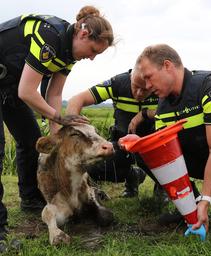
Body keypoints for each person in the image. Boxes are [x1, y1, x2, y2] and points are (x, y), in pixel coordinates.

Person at [0, 5, 114, 249]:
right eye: (93, 50)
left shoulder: (68, 53)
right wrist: (61, 119)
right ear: (83, 34)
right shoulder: (50, 36)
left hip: (8, 88)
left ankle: (30, 199)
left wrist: (58, 139)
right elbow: (27, 91)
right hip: (15, 87)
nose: (92, 57)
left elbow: (54, 95)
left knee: (33, 142)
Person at [131, 43, 211, 237]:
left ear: (167, 66)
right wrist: (137, 142)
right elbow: (164, 150)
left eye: (148, 77)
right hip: (201, 158)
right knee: (146, 153)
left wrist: (207, 201)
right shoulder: (164, 106)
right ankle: (191, 205)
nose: (146, 86)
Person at [66, 68, 160, 198]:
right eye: (135, 87)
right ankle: (133, 175)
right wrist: (76, 131)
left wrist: (144, 114)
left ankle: (162, 187)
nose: (138, 93)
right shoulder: (117, 83)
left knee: (166, 165)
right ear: (130, 78)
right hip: (122, 145)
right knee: (93, 167)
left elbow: (177, 110)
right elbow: (76, 100)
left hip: (153, 144)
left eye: (145, 90)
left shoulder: (161, 85)